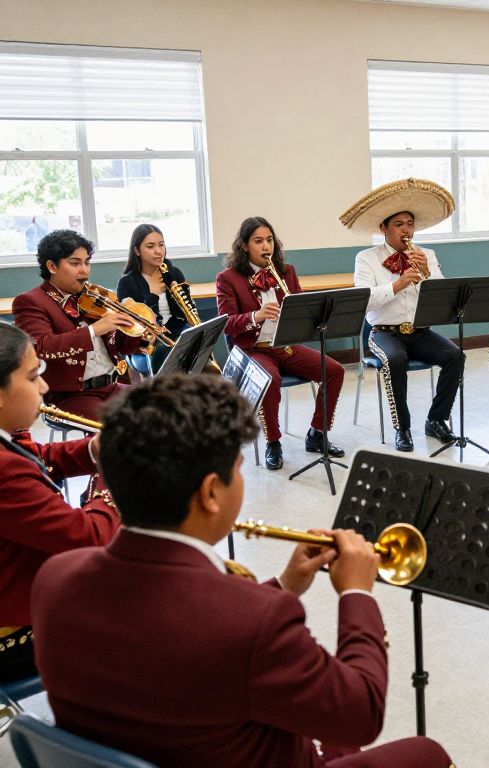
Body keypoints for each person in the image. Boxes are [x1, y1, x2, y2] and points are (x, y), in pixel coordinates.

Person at [32, 374, 454, 768]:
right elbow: (361, 715)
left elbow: (191, 649)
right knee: (428, 752)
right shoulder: (254, 620)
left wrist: (285, 586)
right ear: (211, 493)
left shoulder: (55, 578)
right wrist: (357, 595)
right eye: (237, 470)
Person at [0, 322, 119, 683]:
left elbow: (37, 457)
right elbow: (92, 537)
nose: (45, 387)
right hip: (16, 635)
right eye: (33, 376)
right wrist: (113, 476)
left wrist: (93, 449)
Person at [215, 216, 345, 470]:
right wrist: (256, 316)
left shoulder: (286, 272)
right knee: (270, 379)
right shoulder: (228, 278)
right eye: (258, 241)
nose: (266, 247)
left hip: (286, 346)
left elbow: (303, 308)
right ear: (243, 245)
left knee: (334, 371)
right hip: (253, 350)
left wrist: (308, 312)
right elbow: (226, 324)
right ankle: (273, 443)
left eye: (269, 240)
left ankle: (317, 433)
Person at [343, 178, 462, 453]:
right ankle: (403, 428)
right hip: (383, 333)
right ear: (383, 228)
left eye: (410, 224)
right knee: (395, 360)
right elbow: (364, 301)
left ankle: (436, 419)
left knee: (455, 356)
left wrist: (427, 275)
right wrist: (398, 284)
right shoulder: (366, 258)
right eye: (399, 225)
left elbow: (444, 296)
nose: (406, 230)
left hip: (419, 331)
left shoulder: (427, 254)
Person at [13, 229, 145, 421]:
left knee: (162, 410)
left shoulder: (91, 297)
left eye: (87, 262)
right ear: (52, 266)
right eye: (75, 263)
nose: (84, 270)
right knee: (124, 427)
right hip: (70, 395)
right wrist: (96, 329)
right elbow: (40, 348)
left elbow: (121, 347)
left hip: (111, 386)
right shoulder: (31, 301)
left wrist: (136, 330)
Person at [116, 223, 194, 374]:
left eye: (161, 245)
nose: (158, 251)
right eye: (150, 246)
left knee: (198, 347)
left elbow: (185, 316)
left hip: (175, 335)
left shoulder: (174, 274)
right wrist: (151, 294)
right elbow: (133, 327)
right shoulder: (127, 282)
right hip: (144, 345)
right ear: (137, 251)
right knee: (171, 356)